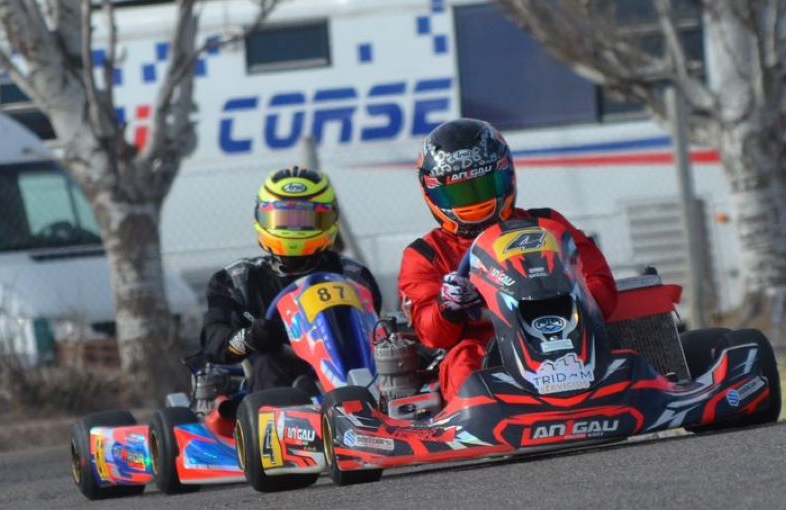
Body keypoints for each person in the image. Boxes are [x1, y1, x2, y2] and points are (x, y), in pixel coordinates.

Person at [398, 118, 618, 404]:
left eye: (484, 186)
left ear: (507, 176)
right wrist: (448, 307)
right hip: (489, 350)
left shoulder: (547, 224)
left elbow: (602, 287)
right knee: (463, 358)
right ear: (433, 193)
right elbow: (432, 335)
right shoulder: (426, 254)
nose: (475, 203)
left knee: (616, 336)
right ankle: (481, 412)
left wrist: (572, 290)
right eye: (462, 193)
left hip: (569, 336)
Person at [200, 166, 383, 393]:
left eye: (305, 218)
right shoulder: (237, 281)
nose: (294, 227)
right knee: (270, 363)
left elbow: (374, 331)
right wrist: (250, 337)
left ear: (328, 219)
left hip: (353, 373)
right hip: (278, 383)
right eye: (284, 218)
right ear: (263, 217)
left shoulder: (353, 275)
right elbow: (213, 344)